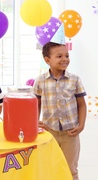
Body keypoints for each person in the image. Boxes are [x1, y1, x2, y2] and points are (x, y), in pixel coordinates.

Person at [33, 42, 87, 180]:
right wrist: (34, 123)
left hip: (71, 133)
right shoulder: (40, 81)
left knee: (71, 169)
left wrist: (81, 125)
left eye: (67, 55)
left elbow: (81, 104)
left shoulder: (74, 80)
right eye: (59, 56)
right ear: (47, 60)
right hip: (49, 132)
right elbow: (36, 104)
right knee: (50, 166)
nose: (65, 59)